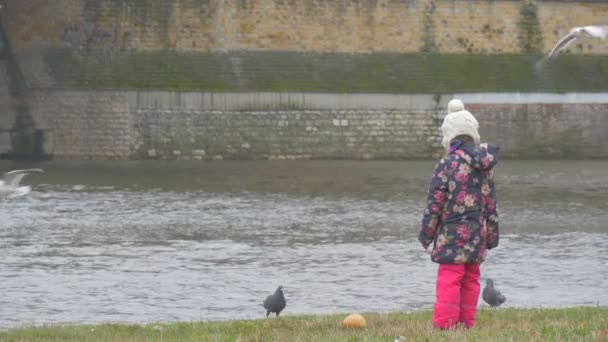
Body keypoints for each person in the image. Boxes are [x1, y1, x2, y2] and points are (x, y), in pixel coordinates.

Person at [418, 98, 500, 330]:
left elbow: (435, 204)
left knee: (450, 279)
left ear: (449, 137)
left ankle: (445, 325)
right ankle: (466, 323)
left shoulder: (446, 165)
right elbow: (491, 204)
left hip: (451, 235)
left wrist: (426, 235)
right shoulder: (485, 168)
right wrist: (492, 236)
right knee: (471, 279)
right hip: (476, 235)